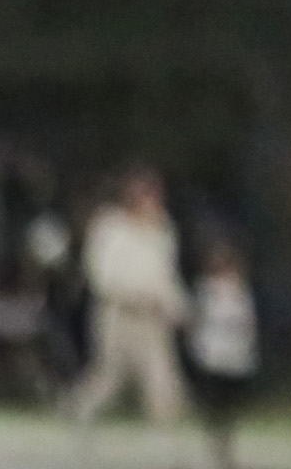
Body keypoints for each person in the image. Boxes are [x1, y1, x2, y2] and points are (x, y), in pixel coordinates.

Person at [66, 164, 189, 424]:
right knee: (109, 376)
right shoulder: (111, 228)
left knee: (163, 382)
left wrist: (178, 306)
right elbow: (102, 275)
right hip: (117, 315)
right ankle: (75, 415)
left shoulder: (163, 231)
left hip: (151, 319)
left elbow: (166, 276)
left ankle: (164, 437)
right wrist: (137, 295)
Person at [187, 232, 260, 469]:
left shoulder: (240, 291)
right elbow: (196, 322)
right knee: (214, 409)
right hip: (213, 358)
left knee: (229, 409)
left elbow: (247, 326)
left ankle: (225, 450)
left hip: (234, 360)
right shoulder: (206, 291)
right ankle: (214, 450)